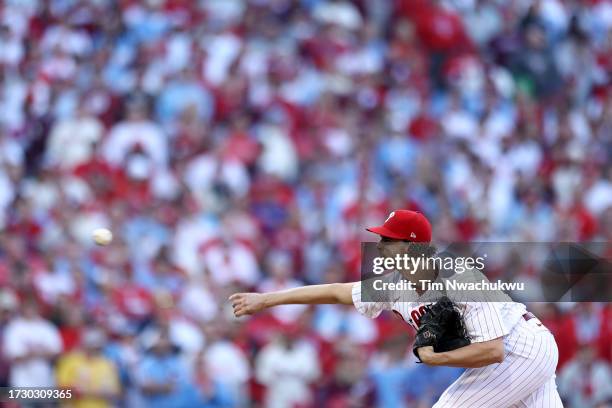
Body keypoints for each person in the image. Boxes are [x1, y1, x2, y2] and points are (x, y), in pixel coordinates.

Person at [230, 210, 564, 407]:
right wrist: (266, 299)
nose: (381, 245)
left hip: (519, 347)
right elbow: (335, 292)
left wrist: (438, 359)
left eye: (390, 239)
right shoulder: (391, 285)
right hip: (524, 351)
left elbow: (493, 350)